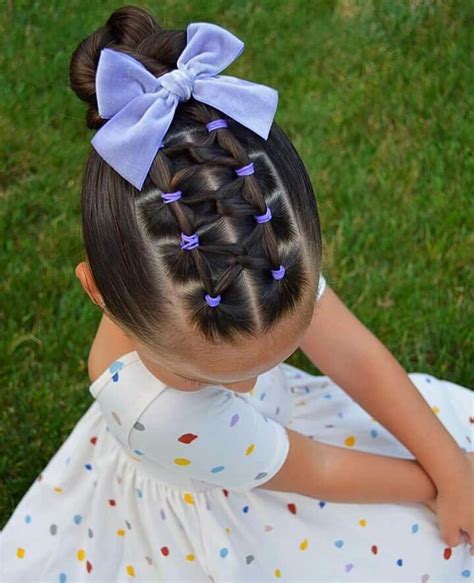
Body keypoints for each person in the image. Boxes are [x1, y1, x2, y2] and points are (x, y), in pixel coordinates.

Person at [1, 6, 472, 582]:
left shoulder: (256, 255)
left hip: (262, 447)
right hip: (232, 479)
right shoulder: (162, 414)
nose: (249, 385)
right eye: (217, 378)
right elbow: (317, 469)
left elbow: (353, 352)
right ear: (101, 293)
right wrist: (435, 482)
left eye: (282, 352)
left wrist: (453, 465)